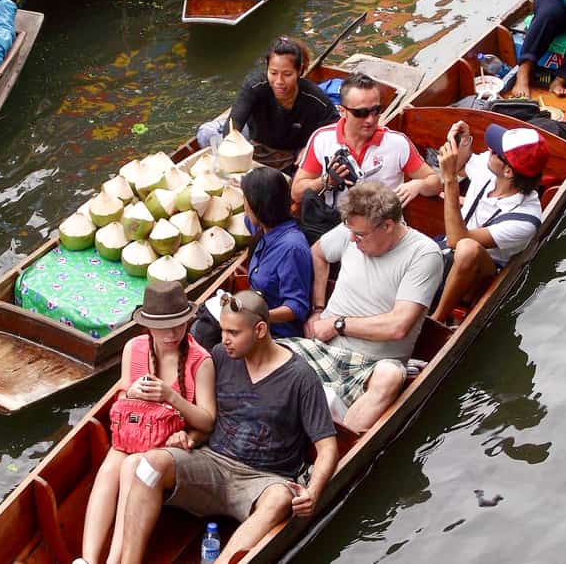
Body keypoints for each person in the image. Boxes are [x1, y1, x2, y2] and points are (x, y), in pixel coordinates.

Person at [118, 291, 338, 564]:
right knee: (148, 466)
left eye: (233, 332)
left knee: (281, 498)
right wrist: (188, 435)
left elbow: (327, 446)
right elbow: (203, 413)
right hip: (211, 463)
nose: (223, 340)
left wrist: (313, 491)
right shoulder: (221, 356)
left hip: (263, 479)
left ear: (259, 330)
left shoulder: (301, 377)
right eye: (222, 330)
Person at [284, 182, 443, 433]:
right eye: (350, 231)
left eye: (360, 235)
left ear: (388, 226)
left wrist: (338, 325)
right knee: (262, 349)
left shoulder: (424, 254)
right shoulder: (354, 229)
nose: (352, 239)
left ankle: (338, 446)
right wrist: (317, 309)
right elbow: (317, 253)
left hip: (369, 366)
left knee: (391, 376)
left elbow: (398, 326)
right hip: (321, 347)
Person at [77, 281, 215, 564]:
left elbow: (207, 421)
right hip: (134, 435)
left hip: (168, 444)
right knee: (109, 468)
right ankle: (88, 560)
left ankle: (114, 560)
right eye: (164, 326)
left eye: (178, 325)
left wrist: (171, 398)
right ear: (148, 325)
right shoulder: (134, 348)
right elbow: (122, 400)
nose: (172, 334)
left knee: (131, 468)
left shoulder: (201, 361)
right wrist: (130, 392)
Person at [431, 122, 549, 324]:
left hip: (478, 274)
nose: (488, 150)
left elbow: (457, 240)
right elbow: (463, 163)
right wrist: (463, 141)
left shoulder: (526, 220)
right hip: (446, 251)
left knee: (468, 248)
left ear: (509, 172)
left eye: (495, 151)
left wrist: (449, 179)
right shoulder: (491, 168)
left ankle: (437, 320)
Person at [291, 72, 440, 210]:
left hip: (385, 227)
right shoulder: (322, 140)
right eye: (361, 113)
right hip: (337, 223)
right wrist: (327, 181)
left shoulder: (397, 144)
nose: (370, 120)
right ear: (342, 111)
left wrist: (418, 184)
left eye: (376, 111)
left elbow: (434, 182)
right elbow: (296, 193)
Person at [220, 36, 338, 170]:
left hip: (292, 152)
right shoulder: (255, 86)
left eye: (287, 74)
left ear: (299, 71)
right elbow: (234, 122)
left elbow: (336, 127)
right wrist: (232, 147)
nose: (279, 81)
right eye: (273, 73)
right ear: (267, 68)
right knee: (206, 134)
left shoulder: (315, 98)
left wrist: (311, 146)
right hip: (256, 141)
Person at [241, 167, 313, 339]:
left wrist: (257, 318)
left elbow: (297, 306)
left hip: (277, 334)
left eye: (245, 200)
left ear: (258, 205)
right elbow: (248, 220)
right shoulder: (264, 229)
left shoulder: (292, 248)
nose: (244, 207)